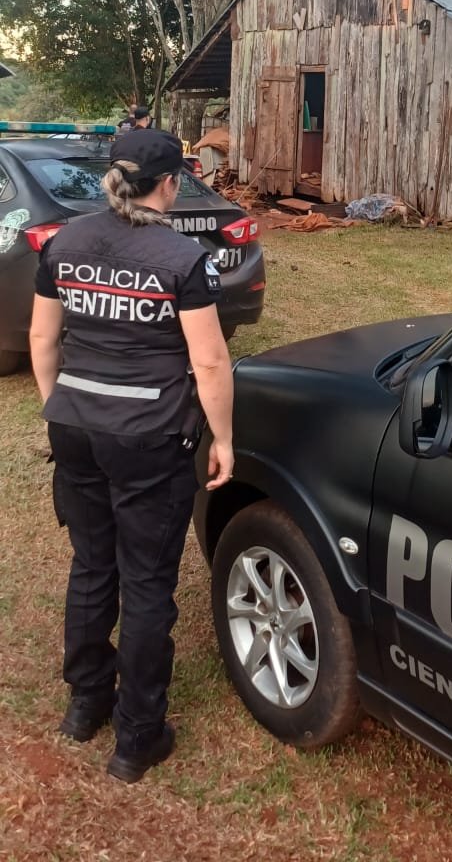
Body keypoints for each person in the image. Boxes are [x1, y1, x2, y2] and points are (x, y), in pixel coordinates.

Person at [29, 129, 235, 783]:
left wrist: (60, 404)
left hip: (76, 428)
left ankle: (85, 705)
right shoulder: (180, 256)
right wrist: (223, 438)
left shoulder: (65, 242)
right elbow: (208, 359)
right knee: (146, 583)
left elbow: (43, 337)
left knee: (93, 567)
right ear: (170, 182)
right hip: (148, 436)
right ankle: (138, 735)